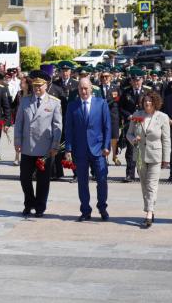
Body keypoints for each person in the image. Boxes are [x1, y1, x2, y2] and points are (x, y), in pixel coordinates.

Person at [14, 71, 62, 217]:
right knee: (24, 178)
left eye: (40, 85)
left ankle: (40, 206)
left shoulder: (54, 102)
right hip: (28, 146)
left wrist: (55, 145)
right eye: (35, 85)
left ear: (46, 85)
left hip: (45, 147)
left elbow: (57, 126)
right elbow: (19, 122)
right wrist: (17, 141)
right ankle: (29, 202)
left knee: (43, 180)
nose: (37, 88)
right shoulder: (25, 100)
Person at [65, 78, 111, 221]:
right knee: (82, 182)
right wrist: (68, 149)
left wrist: (106, 146)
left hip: (98, 150)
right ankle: (85, 210)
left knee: (102, 180)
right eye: (81, 89)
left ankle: (102, 207)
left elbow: (107, 127)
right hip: (80, 151)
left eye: (86, 88)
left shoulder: (101, 104)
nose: (83, 91)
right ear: (78, 90)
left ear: (91, 88)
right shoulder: (72, 106)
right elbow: (69, 129)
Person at [126, 91, 171, 228]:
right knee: (144, 185)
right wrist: (133, 139)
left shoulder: (162, 117)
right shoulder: (137, 116)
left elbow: (166, 139)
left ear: (155, 102)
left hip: (155, 155)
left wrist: (166, 159)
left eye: (150, 101)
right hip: (140, 155)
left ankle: (149, 213)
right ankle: (150, 208)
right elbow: (129, 133)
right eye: (145, 101)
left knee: (152, 185)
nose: (147, 103)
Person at [119, 68, 150, 182]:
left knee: (143, 149)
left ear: (142, 80)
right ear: (131, 81)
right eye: (134, 80)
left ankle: (142, 173)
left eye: (138, 80)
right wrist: (129, 116)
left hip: (144, 124)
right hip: (131, 123)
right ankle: (130, 174)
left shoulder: (147, 92)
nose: (136, 82)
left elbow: (153, 107)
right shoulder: (126, 92)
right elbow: (121, 107)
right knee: (131, 150)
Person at [99, 68, 121, 166]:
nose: (104, 78)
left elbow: (119, 101)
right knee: (104, 136)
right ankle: (105, 156)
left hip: (113, 115)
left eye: (106, 76)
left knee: (114, 137)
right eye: (102, 77)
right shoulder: (98, 88)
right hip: (101, 115)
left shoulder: (115, 87)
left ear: (110, 77)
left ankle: (115, 156)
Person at [11, 76, 33, 165]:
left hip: (28, 120)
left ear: (28, 84)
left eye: (23, 83)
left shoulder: (32, 94)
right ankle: (16, 157)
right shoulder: (19, 94)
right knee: (17, 138)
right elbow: (13, 105)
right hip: (19, 119)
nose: (21, 84)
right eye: (20, 83)